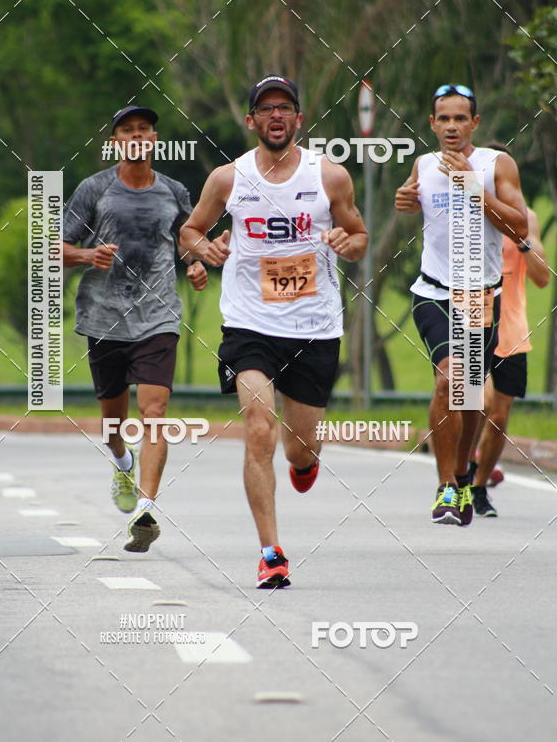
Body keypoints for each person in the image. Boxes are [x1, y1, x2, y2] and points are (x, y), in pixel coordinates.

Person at [180, 75, 368, 587]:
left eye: (285, 107)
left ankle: (304, 463)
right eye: (266, 109)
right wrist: (205, 251)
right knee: (259, 429)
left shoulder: (329, 177)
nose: (276, 116)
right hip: (250, 325)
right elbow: (190, 230)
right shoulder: (228, 179)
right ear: (252, 121)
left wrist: (345, 242)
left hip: (314, 325)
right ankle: (270, 552)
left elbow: (359, 236)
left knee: (300, 448)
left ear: (299, 119)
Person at [62, 105, 207, 552]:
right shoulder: (95, 190)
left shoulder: (175, 192)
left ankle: (147, 509)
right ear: (115, 142)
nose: (137, 135)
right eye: (128, 130)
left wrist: (197, 264)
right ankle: (121, 460)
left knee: (155, 412)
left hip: (157, 315)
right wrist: (88, 256)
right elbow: (55, 248)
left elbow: (189, 238)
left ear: (155, 139)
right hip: (104, 316)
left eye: (144, 129)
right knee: (113, 424)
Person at [395, 84, 528, 526]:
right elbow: (414, 201)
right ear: (432, 124)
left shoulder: (496, 165)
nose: (451, 126)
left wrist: (477, 190)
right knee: (448, 379)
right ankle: (446, 488)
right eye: (443, 119)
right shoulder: (423, 164)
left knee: (470, 396)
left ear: (474, 123)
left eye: (460, 118)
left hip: (480, 296)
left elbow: (520, 226)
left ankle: (466, 470)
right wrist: (406, 201)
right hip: (433, 291)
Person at [469, 144, 550, 516]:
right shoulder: (465, 215)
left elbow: (542, 279)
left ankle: (479, 485)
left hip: (512, 326)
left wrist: (523, 241)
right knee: (478, 402)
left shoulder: (527, 219)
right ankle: (460, 474)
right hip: (473, 319)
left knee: (499, 416)